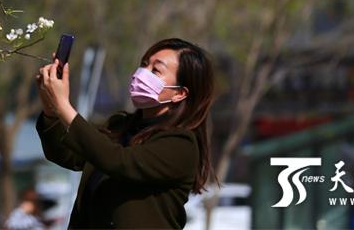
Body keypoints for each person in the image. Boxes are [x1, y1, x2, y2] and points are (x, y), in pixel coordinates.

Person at [35, 37, 217, 229]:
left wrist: (63, 106)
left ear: (179, 93)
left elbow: (119, 161)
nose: (142, 73)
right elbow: (68, 155)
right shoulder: (120, 126)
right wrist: (51, 110)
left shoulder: (181, 143)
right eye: (144, 65)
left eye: (156, 70)